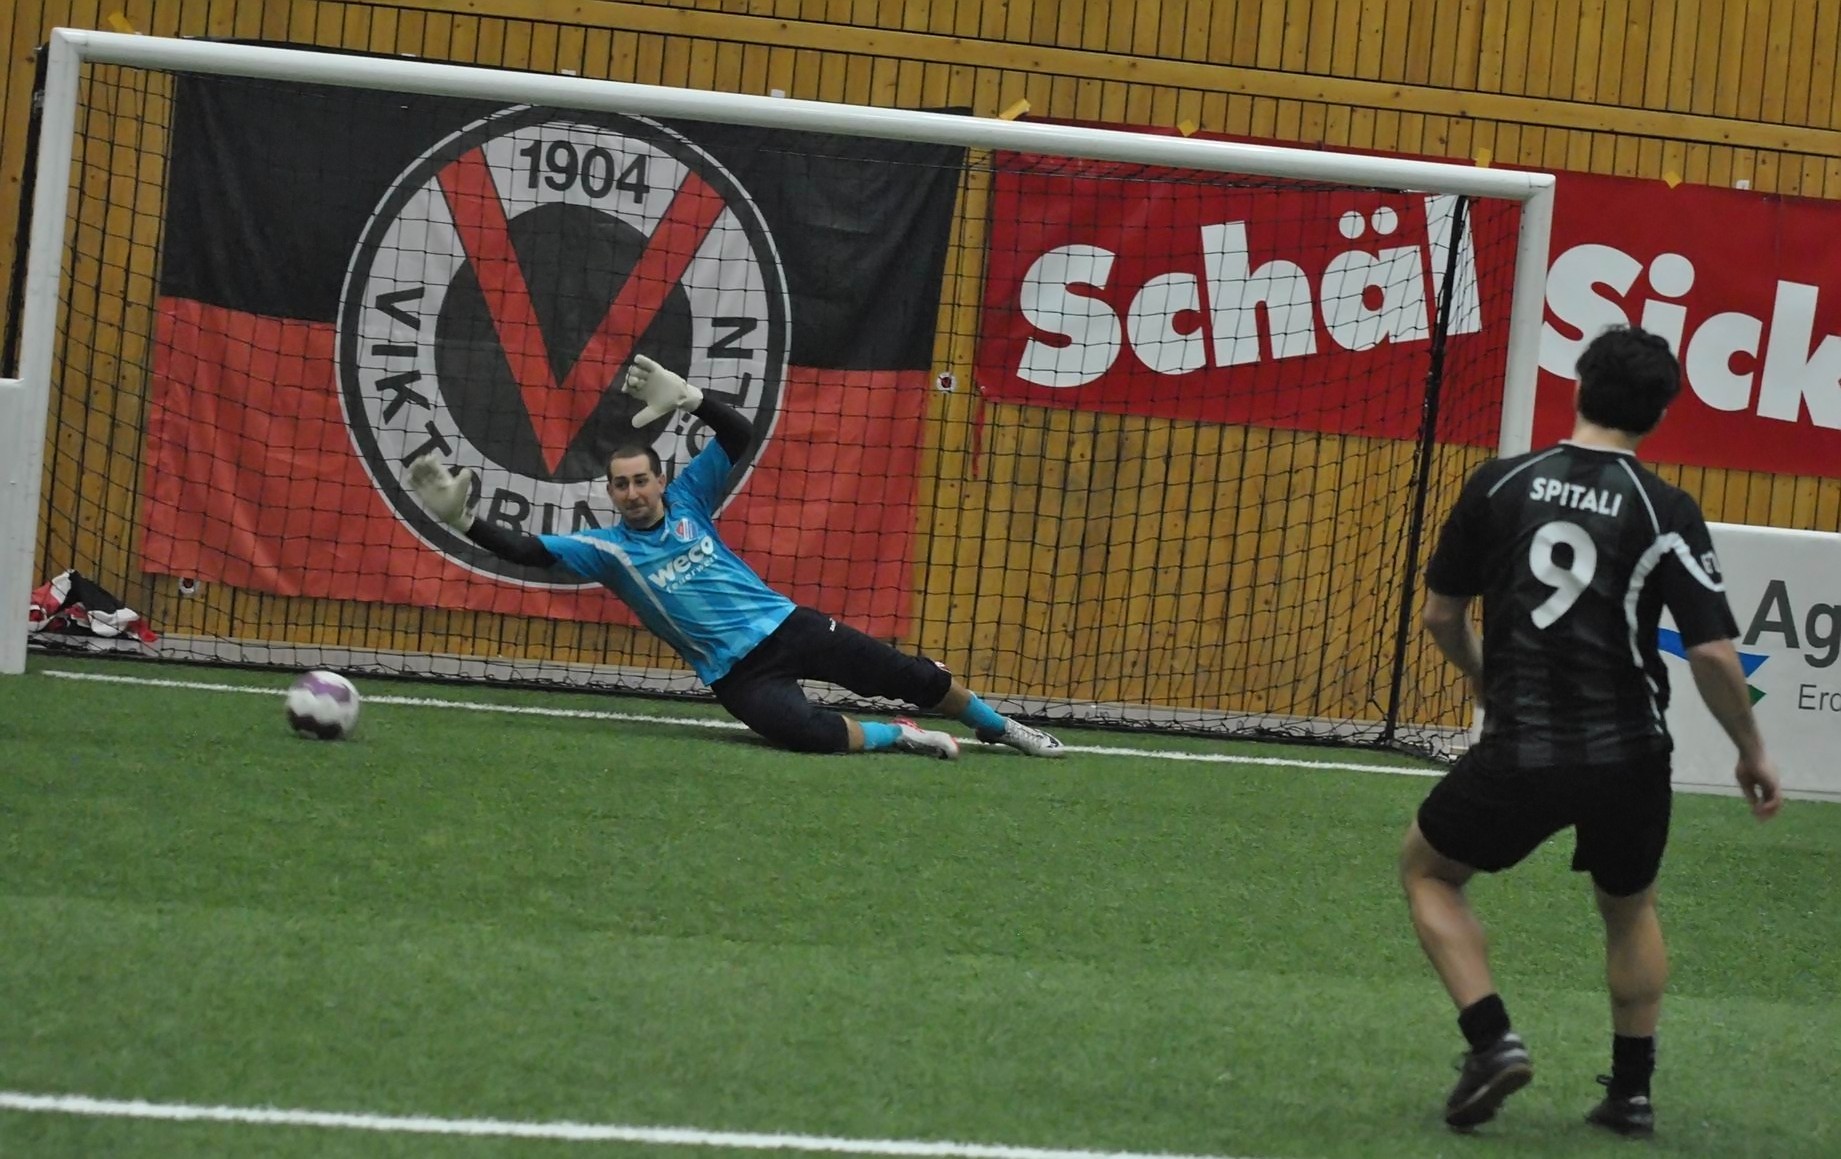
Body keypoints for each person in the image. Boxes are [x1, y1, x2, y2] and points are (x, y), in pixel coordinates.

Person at [1398, 325, 1782, 1136]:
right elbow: (1713, 653)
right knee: (1628, 905)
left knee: (1428, 870)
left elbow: (1438, 615)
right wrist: (1750, 751)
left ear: (1577, 384)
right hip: (1629, 753)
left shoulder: (1499, 484)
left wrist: (1481, 676)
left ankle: (1492, 1039)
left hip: (1523, 745)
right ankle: (1630, 1095)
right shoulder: (1664, 508)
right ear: (1659, 413)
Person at [404, 355, 1064, 762]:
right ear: (610, 494)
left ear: (660, 480)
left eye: (641, 480)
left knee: (907, 673)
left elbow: (738, 433)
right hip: (737, 675)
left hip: (787, 625)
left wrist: (691, 399)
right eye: (621, 485)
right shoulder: (606, 551)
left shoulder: (689, 497)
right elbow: (525, 550)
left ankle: (1000, 727)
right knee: (808, 737)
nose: (633, 492)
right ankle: (903, 736)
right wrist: (464, 520)